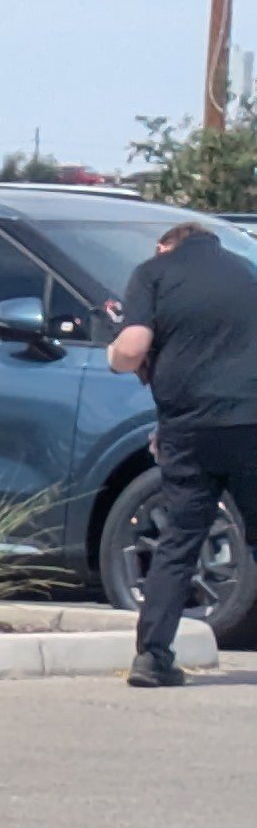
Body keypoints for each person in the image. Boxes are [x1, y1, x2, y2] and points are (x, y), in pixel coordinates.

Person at [112, 214, 257, 687]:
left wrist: (113, 354)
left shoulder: (153, 274)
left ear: (164, 247)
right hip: (251, 421)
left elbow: (132, 349)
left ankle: (153, 657)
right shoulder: (246, 271)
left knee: (179, 541)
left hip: (188, 429)